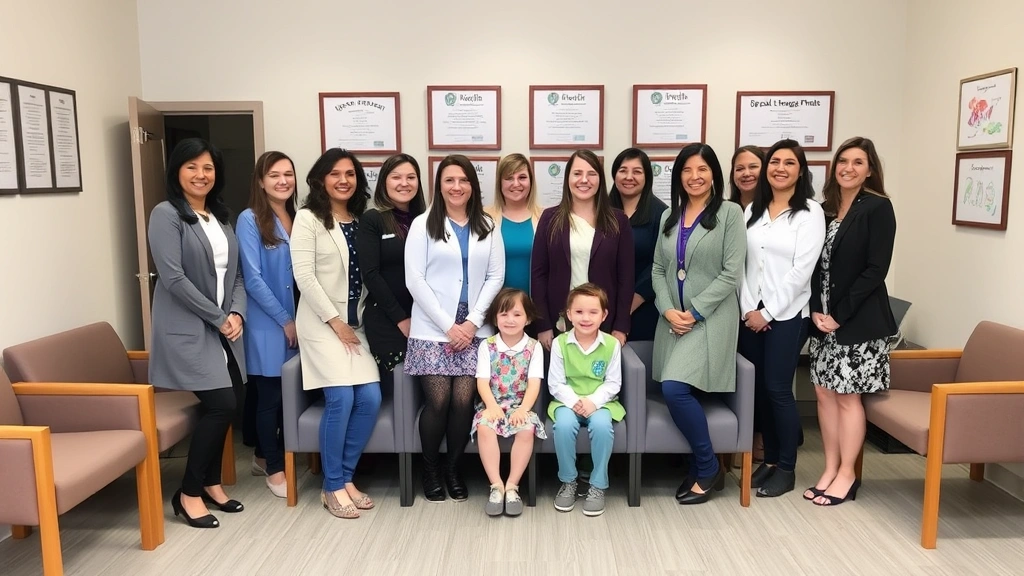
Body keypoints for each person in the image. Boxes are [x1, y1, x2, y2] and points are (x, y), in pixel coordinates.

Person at [149, 138, 247, 528]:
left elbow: (236, 274)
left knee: (233, 398)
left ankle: (211, 483)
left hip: (223, 326)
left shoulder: (221, 216)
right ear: (177, 171)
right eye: (191, 167)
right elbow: (173, 277)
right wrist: (217, 316)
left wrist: (236, 311)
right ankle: (188, 493)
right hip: (188, 327)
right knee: (222, 402)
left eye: (207, 168)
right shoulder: (166, 214)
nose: (201, 175)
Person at [405, 154, 505, 502]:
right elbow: (414, 280)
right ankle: (430, 470)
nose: (457, 187)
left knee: (464, 402)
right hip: (434, 327)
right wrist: (450, 326)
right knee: (439, 401)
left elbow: (496, 276)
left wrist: (473, 321)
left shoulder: (488, 225)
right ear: (440, 185)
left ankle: (453, 468)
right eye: (449, 180)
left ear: (472, 186)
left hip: (474, 327)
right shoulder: (422, 224)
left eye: (463, 180)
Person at [651, 143, 746, 505]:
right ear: (679, 176)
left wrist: (694, 312)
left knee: (675, 389)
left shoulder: (730, 213)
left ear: (714, 175)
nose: (695, 177)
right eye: (687, 170)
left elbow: (730, 273)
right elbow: (659, 269)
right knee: (674, 389)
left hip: (709, 320)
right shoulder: (668, 218)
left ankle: (707, 468)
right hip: (672, 320)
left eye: (702, 170)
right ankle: (698, 465)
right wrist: (667, 309)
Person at [291, 148, 382, 519]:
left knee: (371, 398)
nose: (343, 180)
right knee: (341, 399)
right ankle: (331, 486)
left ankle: (345, 477)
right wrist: (334, 321)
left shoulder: (362, 218)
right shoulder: (308, 218)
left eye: (350, 173)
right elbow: (304, 276)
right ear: (320, 179)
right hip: (321, 324)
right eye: (335, 173)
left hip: (355, 324)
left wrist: (351, 323)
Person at [807, 137, 897, 506]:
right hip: (822, 320)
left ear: (870, 169)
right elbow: (812, 266)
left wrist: (838, 317)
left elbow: (875, 270)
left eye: (858, 162)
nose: (848, 168)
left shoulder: (878, 208)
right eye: (843, 161)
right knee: (823, 394)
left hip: (857, 322)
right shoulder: (823, 209)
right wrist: (816, 310)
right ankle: (829, 468)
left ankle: (848, 474)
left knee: (847, 397)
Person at [738, 139, 826, 498]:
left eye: (789, 163)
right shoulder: (752, 212)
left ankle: (787, 467)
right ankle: (769, 461)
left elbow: (802, 271)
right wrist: (748, 309)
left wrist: (768, 312)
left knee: (778, 389)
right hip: (751, 313)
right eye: (774, 161)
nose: (780, 168)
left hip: (788, 315)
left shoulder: (810, 213)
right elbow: (741, 264)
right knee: (758, 391)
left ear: (800, 171)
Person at [236, 151, 298, 498]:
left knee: (288, 394)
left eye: (288, 174)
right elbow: (253, 278)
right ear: (260, 181)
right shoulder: (250, 219)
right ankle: (274, 469)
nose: (282, 181)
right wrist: (285, 319)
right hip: (266, 322)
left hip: (294, 321)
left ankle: (263, 456)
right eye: (274, 175)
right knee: (269, 398)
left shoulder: (296, 217)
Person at [532, 149, 635, 350]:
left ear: (600, 180)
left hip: (602, 319)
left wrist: (621, 326)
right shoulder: (549, 219)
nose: (584, 180)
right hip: (560, 319)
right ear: (568, 178)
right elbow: (538, 275)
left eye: (592, 174)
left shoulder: (618, 221)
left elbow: (626, 278)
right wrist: (543, 324)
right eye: (577, 173)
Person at [548, 283, 623, 517]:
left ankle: (598, 485)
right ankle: (568, 481)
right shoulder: (560, 343)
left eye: (593, 312)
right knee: (563, 425)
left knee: (602, 426)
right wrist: (575, 402)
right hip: (566, 401)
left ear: (604, 315)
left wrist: (592, 401)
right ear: (569, 314)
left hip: (601, 402)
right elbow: (555, 383)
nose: (586, 318)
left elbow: (613, 383)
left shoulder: (611, 344)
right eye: (579, 312)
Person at [472, 288, 547, 517]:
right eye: (504, 314)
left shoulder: (534, 348)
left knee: (526, 430)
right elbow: (482, 383)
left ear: (529, 318)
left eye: (517, 314)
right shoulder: (488, 346)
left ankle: (513, 486)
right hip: (492, 403)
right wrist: (492, 407)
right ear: (495, 318)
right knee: (484, 427)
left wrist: (524, 409)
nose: (510, 320)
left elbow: (534, 384)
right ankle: (496, 486)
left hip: (520, 405)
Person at [357, 154, 427, 375]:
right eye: (396, 177)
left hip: (424, 317)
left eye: (411, 177)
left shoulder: (426, 220)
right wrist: (401, 318)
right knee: (400, 387)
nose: (404, 183)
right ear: (384, 181)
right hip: (388, 319)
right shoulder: (373, 219)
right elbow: (370, 274)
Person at [609, 148, 668, 342]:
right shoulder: (601, 210)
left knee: (637, 367)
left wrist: (629, 305)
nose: (629, 177)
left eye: (637, 171)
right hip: (601, 306)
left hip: (643, 306)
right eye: (623, 170)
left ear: (647, 177)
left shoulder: (661, 214)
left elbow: (660, 262)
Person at [486, 153, 541, 292]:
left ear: (531, 182)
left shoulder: (545, 218)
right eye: (509, 178)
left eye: (522, 177)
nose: (516, 184)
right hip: (497, 308)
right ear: (500, 183)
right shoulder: (485, 218)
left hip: (534, 307)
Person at [729, 145, 764, 210]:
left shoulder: (774, 209)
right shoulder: (725, 209)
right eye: (740, 169)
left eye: (753, 167)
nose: (746, 174)